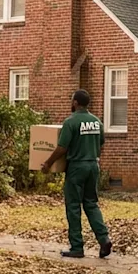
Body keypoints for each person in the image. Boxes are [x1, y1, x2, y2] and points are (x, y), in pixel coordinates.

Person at [43, 89, 112, 258]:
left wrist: (48, 163)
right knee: (91, 203)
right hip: (93, 165)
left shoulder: (71, 122)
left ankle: (77, 247)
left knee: (73, 206)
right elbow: (101, 144)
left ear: (75, 102)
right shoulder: (97, 121)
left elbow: (62, 147)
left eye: (71, 100)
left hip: (77, 167)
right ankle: (104, 239)